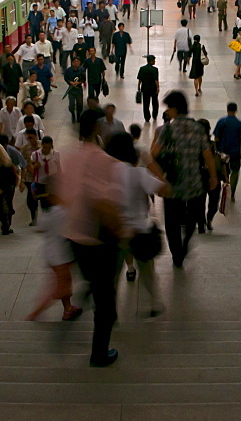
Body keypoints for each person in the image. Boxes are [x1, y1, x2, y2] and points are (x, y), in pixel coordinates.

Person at [55, 109, 127, 367]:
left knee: (97, 284)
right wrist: (122, 231)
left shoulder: (71, 157)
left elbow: (63, 197)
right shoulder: (102, 160)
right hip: (97, 242)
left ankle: (91, 289)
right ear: (97, 129)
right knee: (106, 304)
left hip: (72, 238)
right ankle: (99, 354)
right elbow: (102, 204)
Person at [151, 91, 218, 268]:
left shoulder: (167, 129)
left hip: (172, 183)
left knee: (172, 222)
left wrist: (160, 177)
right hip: (194, 182)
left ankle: (176, 254)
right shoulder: (197, 128)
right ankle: (186, 242)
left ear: (174, 108)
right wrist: (213, 177)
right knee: (193, 217)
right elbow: (208, 156)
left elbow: (154, 155)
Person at [106, 131, 167, 317]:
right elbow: (164, 189)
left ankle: (110, 310)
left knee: (113, 276)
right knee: (147, 271)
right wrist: (153, 167)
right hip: (140, 232)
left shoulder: (106, 174)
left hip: (114, 232)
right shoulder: (138, 174)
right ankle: (155, 304)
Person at [23, 183, 83, 322]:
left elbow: (41, 229)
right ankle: (35, 313)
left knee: (62, 281)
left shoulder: (47, 214)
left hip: (51, 254)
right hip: (61, 255)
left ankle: (68, 309)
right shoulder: (62, 212)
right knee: (60, 287)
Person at [213, 102, 241, 201]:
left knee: (224, 171)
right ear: (236, 110)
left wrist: (217, 149)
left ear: (227, 109)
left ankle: (225, 185)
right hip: (235, 152)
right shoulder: (238, 123)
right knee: (235, 171)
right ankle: (232, 191)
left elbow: (216, 137)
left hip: (223, 152)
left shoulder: (221, 121)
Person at [137, 55, 160, 122]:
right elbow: (156, 80)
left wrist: (138, 86)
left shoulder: (142, 68)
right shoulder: (155, 69)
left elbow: (140, 79)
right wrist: (158, 88)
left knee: (146, 103)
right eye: (154, 60)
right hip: (153, 88)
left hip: (144, 88)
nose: (155, 62)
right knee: (155, 102)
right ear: (151, 61)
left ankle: (147, 117)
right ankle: (154, 115)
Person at [64, 56, 86, 123]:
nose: (76, 63)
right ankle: (73, 114)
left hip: (79, 89)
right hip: (71, 90)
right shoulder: (69, 70)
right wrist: (70, 82)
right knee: (71, 104)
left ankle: (78, 115)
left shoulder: (82, 70)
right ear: (72, 63)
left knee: (80, 104)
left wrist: (78, 82)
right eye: (75, 61)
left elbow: (84, 79)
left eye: (78, 61)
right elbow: (66, 78)